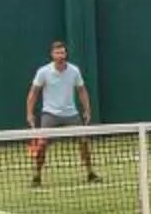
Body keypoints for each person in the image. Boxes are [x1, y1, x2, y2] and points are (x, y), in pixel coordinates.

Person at [26, 40, 101, 186]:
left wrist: (87, 110)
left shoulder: (74, 71)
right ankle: (37, 176)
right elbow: (33, 92)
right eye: (57, 53)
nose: (60, 56)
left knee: (84, 142)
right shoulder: (43, 72)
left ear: (66, 54)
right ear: (52, 55)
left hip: (71, 114)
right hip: (49, 114)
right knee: (41, 145)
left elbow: (82, 90)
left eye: (62, 53)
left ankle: (90, 173)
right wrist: (29, 113)